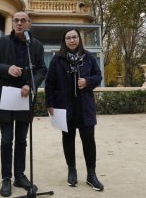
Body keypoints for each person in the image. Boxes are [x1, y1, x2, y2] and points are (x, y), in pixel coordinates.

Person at [0, 11, 47, 197]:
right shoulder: (1, 42)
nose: (19, 23)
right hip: (5, 96)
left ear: (29, 24)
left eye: (23, 21)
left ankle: (19, 175)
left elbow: (41, 69)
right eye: (16, 20)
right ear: (12, 23)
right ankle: (6, 177)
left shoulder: (35, 45)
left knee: (22, 140)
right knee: (7, 139)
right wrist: (7, 69)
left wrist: (31, 83)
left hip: (24, 97)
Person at [44, 28, 104, 191]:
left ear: (79, 39)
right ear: (64, 41)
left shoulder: (89, 57)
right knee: (68, 140)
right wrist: (49, 104)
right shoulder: (57, 59)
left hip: (85, 107)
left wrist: (88, 81)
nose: (72, 40)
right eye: (68, 38)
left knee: (89, 141)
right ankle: (72, 170)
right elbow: (49, 83)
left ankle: (91, 175)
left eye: (74, 37)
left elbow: (98, 76)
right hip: (64, 106)